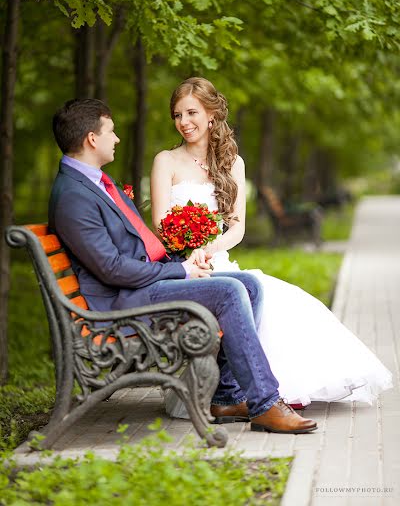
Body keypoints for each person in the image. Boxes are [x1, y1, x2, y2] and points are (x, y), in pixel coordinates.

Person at [48, 97, 318, 434]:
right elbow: (112, 270)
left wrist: (187, 260)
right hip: (117, 302)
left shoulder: (92, 183)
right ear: (92, 138)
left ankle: (227, 395)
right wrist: (182, 270)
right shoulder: (75, 195)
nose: (116, 139)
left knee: (249, 284)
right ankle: (265, 403)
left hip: (136, 285)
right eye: (111, 132)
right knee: (230, 289)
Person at [151, 77, 392, 418]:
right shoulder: (166, 161)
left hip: (216, 257)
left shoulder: (233, 164)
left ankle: (259, 391)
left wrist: (209, 247)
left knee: (284, 299)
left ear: (211, 115)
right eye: (177, 115)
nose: (184, 122)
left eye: (191, 112)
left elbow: (237, 227)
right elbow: (161, 223)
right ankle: (233, 395)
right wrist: (188, 249)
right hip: (183, 264)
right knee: (248, 294)